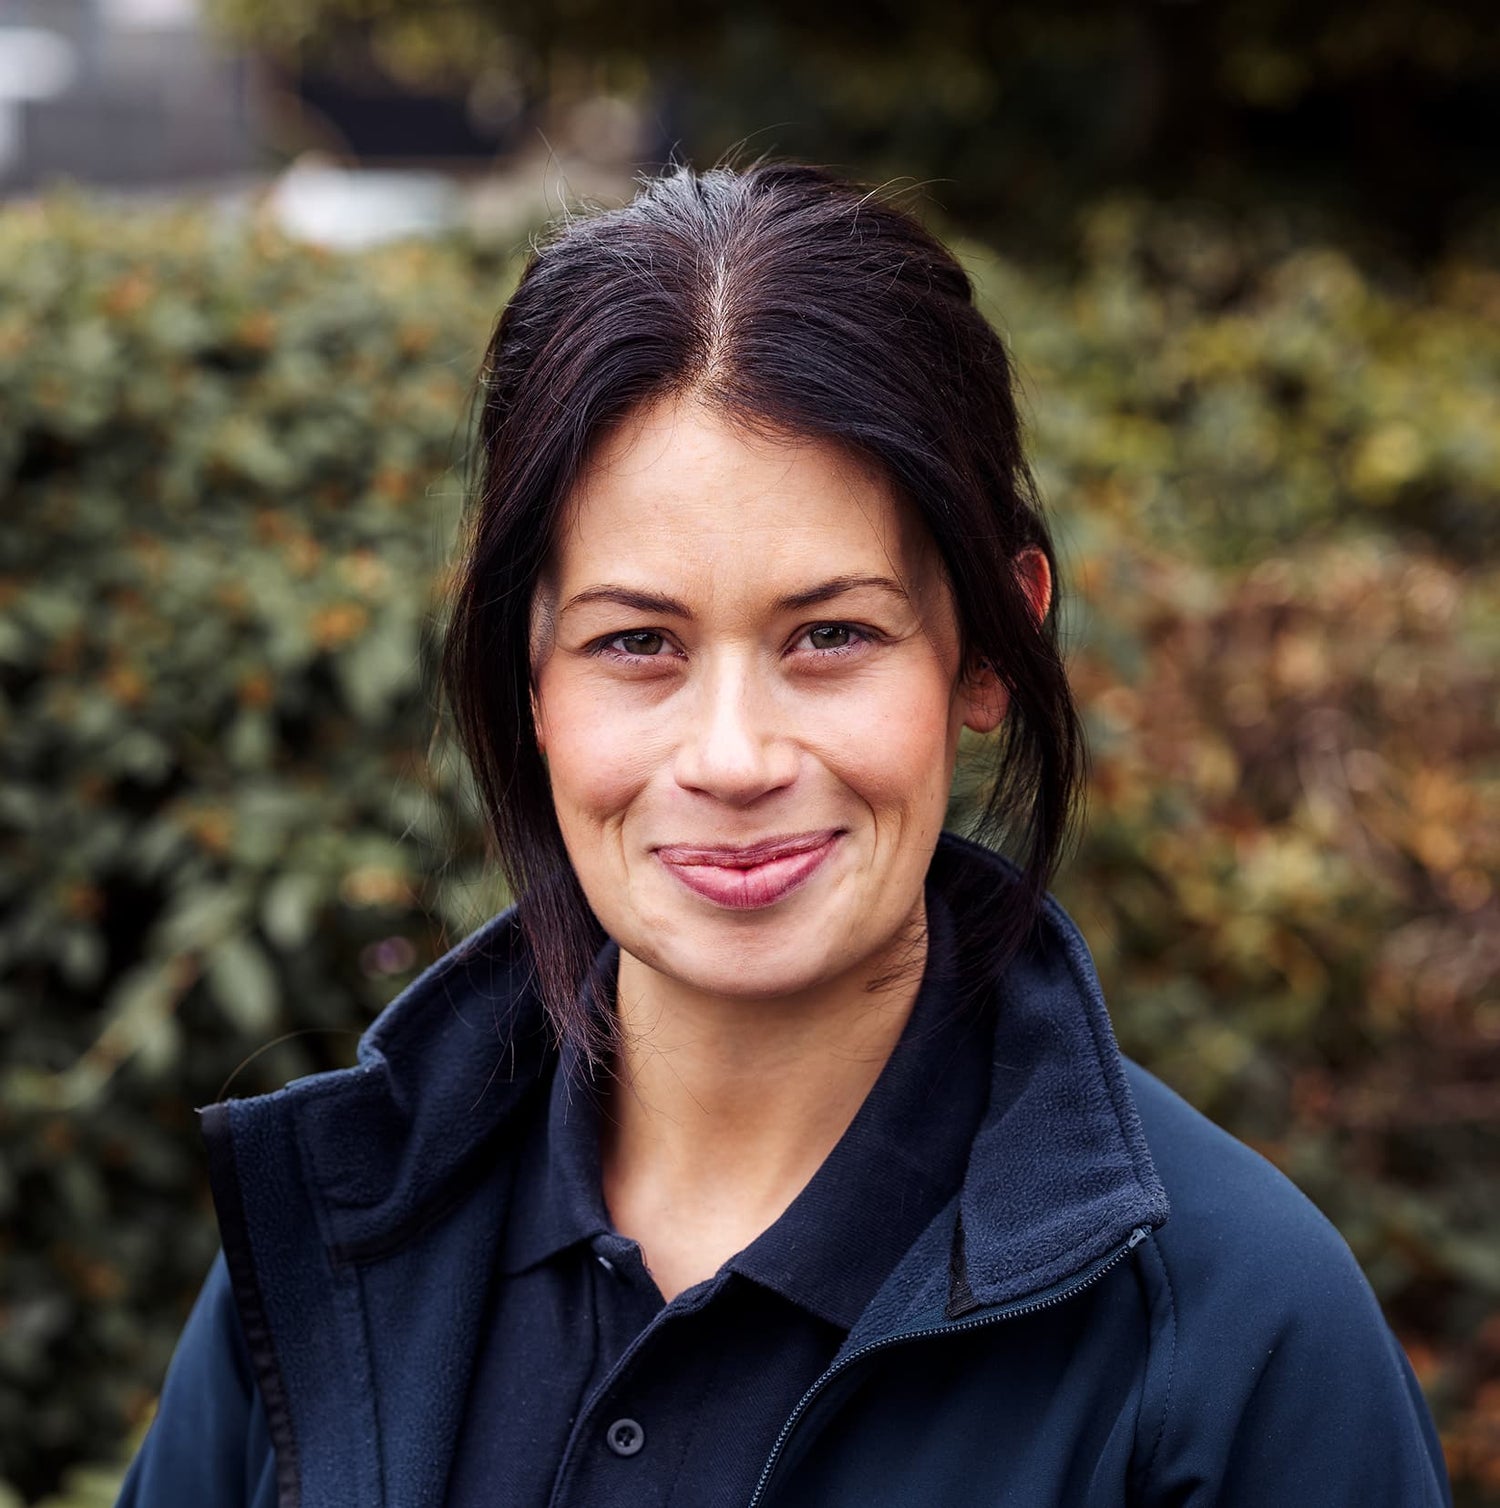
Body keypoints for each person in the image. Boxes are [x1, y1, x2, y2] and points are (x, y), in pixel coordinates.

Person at [117, 162, 1451, 1508]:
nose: (734, 758)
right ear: (529, 679)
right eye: (636, 643)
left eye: (832, 637)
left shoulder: (1238, 1338)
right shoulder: (333, 1260)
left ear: (988, 645)